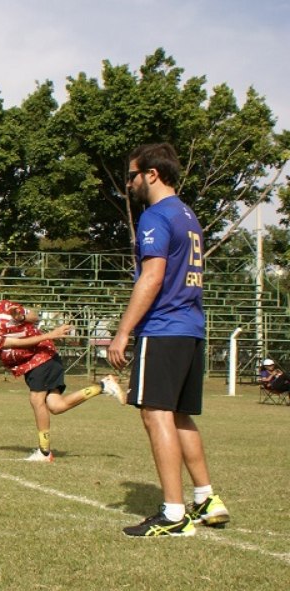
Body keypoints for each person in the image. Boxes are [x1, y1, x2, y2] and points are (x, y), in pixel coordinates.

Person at [108, 142, 229, 537]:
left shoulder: (156, 216)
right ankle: (207, 498)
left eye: (132, 175)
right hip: (191, 327)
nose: (129, 183)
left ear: (152, 175)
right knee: (179, 415)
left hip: (163, 328)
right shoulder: (188, 215)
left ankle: (174, 514)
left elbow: (153, 276)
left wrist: (124, 331)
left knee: (155, 412)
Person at [0, 294, 127, 462]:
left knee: (36, 399)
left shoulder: (4, 307)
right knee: (56, 406)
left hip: (42, 355)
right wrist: (50, 335)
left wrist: (23, 314)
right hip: (30, 364)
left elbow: (34, 316)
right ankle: (103, 386)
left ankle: (44, 452)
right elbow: (16, 344)